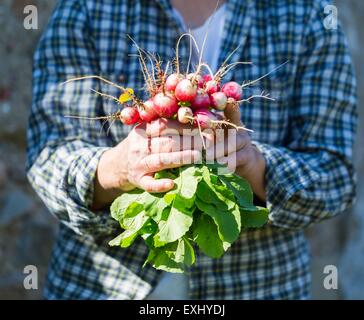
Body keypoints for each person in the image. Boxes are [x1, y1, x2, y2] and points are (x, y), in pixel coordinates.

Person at [26, 0, 357, 299]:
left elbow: (334, 176)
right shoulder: (87, 7)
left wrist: (253, 165)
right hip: (104, 286)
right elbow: (48, 157)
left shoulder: (309, 14)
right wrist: (121, 168)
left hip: (258, 286)